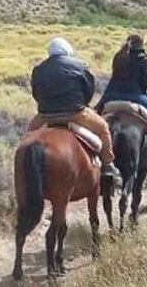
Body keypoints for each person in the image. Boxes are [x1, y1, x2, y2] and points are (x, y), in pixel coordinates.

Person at [29, 38, 120, 181]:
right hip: (75, 113)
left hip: (46, 115)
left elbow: (35, 93)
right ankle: (108, 163)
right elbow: (89, 89)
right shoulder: (80, 65)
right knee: (103, 128)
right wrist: (83, 104)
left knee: (28, 136)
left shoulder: (38, 69)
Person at [97, 33, 147, 154]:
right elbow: (145, 81)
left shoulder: (119, 56)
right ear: (141, 43)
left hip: (111, 94)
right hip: (134, 95)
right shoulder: (144, 58)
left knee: (95, 112)